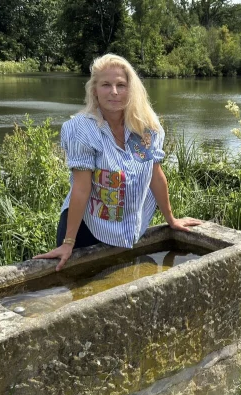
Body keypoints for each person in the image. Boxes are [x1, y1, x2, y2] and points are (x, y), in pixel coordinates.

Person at [35, 54, 203, 270]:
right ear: (94, 89)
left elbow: (156, 176)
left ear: (131, 89)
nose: (114, 92)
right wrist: (69, 242)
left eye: (121, 85)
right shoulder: (82, 129)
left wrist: (171, 219)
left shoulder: (146, 128)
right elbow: (81, 189)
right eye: (106, 84)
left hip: (128, 231)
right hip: (86, 230)